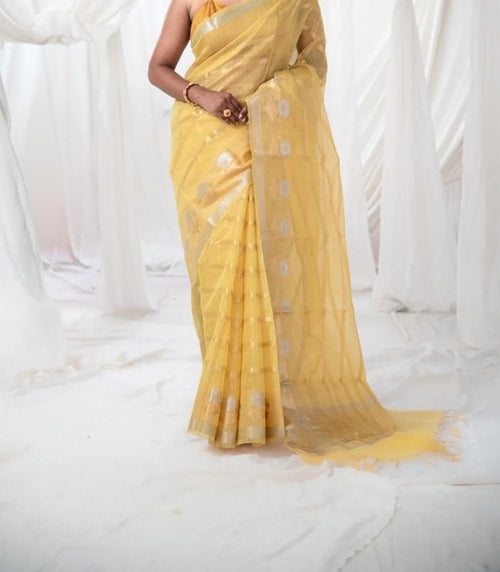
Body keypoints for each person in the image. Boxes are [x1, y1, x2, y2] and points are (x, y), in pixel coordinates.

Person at [148, 0, 462, 468]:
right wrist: (203, 95)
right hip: (202, 143)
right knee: (215, 273)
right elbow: (158, 67)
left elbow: (313, 65)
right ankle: (229, 401)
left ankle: (265, 401)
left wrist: (266, 102)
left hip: (261, 136)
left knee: (261, 266)